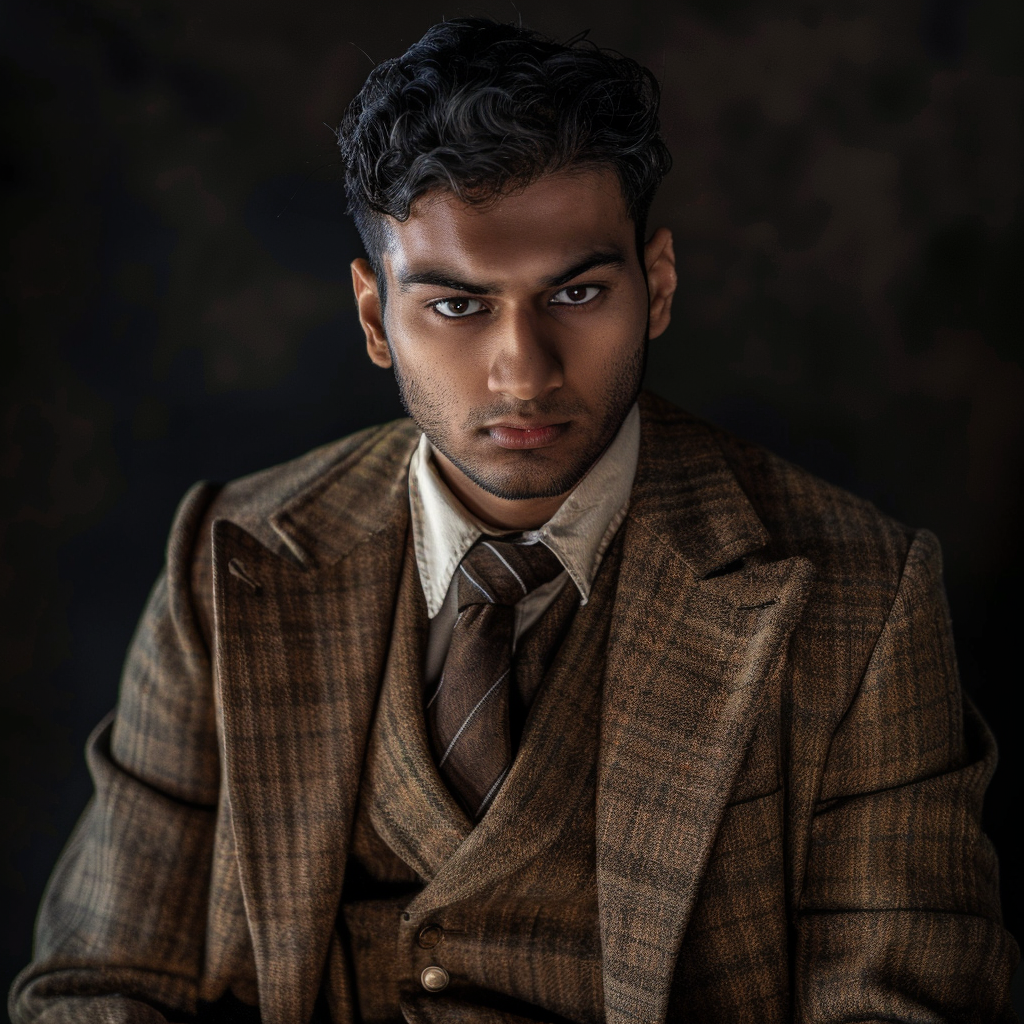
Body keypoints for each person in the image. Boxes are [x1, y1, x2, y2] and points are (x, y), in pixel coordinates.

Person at [10, 17, 1019, 1024]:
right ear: (374, 318)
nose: (523, 370)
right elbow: (98, 980)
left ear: (655, 286)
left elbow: (903, 1008)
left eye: (576, 292)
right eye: (455, 305)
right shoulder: (227, 559)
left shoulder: (861, 596)